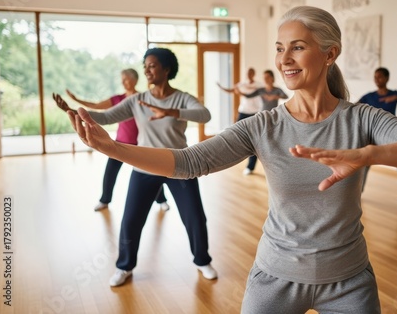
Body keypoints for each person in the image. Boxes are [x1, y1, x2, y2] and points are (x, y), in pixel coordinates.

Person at [62, 6, 397, 313]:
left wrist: (371, 154)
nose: (285, 58)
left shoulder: (362, 119)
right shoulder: (263, 126)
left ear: (330, 53)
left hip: (349, 280)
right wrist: (113, 148)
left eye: (297, 46)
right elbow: (189, 162)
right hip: (275, 277)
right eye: (280, 48)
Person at [53, 47, 217, 287]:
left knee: (195, 218)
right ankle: (125, 266)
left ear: (166, 69)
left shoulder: (182, 97)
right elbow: (107, 117)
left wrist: (170, 111)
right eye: (145, 66)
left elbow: (205, 115)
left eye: (151, 66)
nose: (147, 70)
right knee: (131, 220)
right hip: (144, 168)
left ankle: (202, 260)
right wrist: (73, 110)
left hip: (179, 165)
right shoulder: (137, 100)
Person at [65, 69, 169, 212]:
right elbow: (96, 106)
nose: (123, 82)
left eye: (126, 79)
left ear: (134, 80)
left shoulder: (144, 99)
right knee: (110, 173)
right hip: (120, 143)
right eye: (122, 79)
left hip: (140, 144)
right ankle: (104, 200)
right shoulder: (117, 99)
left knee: (151, 174)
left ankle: (162, 200)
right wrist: (75, 101)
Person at [358, 67, 397, 206]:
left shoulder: (394, 94)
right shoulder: (369, 96)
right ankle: (357, 193)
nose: (376, 79)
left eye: (379, 77)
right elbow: (353, 106)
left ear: (386, 78)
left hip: (390, 134)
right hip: (371, 135)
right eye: (375, 77)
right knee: (363, 163)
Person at [217, 67, 262, 175]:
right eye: (248, 73)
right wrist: (221, 87)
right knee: (235, 134)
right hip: (243, 112)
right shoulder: (241, 84)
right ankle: (229, 157)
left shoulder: (259, 85)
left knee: (254, 140)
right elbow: (231, 90)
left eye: (251, 72)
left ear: (254, 73)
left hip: (254, 113)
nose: (249, 74)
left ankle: (250, 167)